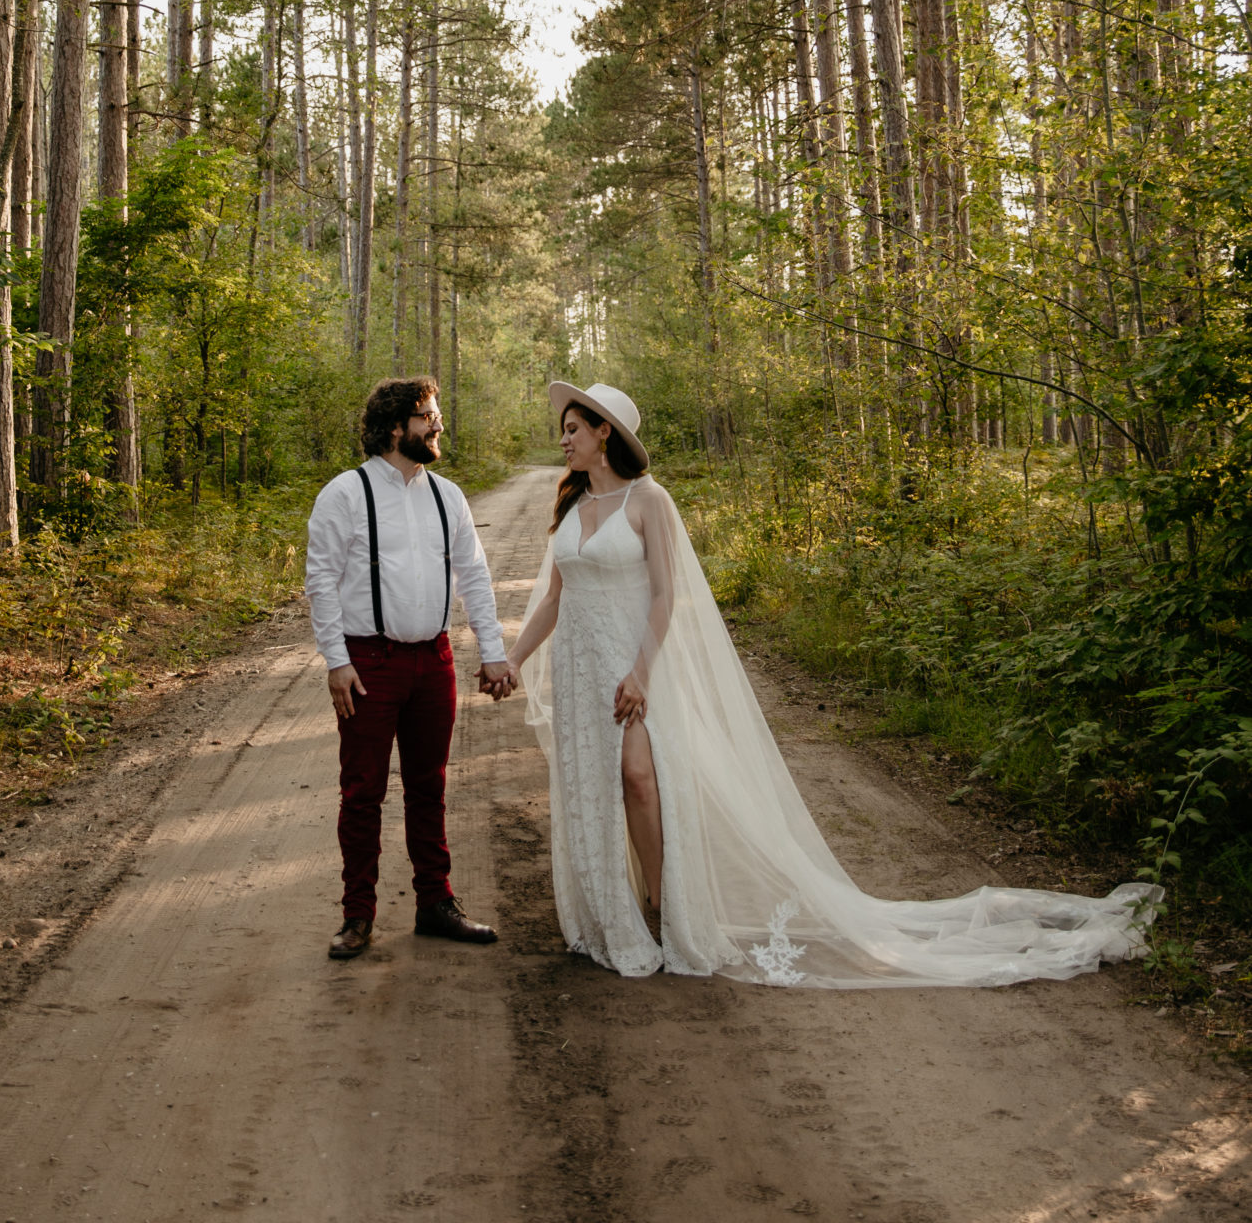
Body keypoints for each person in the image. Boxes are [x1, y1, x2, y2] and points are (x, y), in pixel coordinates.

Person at [506, 379, 1162, 987]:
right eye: (562, 429)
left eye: (573, 428)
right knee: (595, 789)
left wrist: (640, 671)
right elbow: (554, 599)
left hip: (631, 666)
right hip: (578, 668)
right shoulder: (570, 503)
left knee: (640, 782)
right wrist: (513, 658)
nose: (563, 438)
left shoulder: (649, 500)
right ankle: (607, 916)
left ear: (605, 434)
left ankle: (661, 909)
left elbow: (664, 596)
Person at [305, 376, 513, 961]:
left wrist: (492, 651)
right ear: (396, 426)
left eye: (436, 413)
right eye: (428, 415)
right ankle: (358, 916)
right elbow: (320, 580)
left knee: (430, 786)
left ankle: (435, 904)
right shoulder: (344, 494)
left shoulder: (448, 496)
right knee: (363, 791)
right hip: (368, 662)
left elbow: (473, 575)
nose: (438, 424)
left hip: (434, 659)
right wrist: (336, 661)